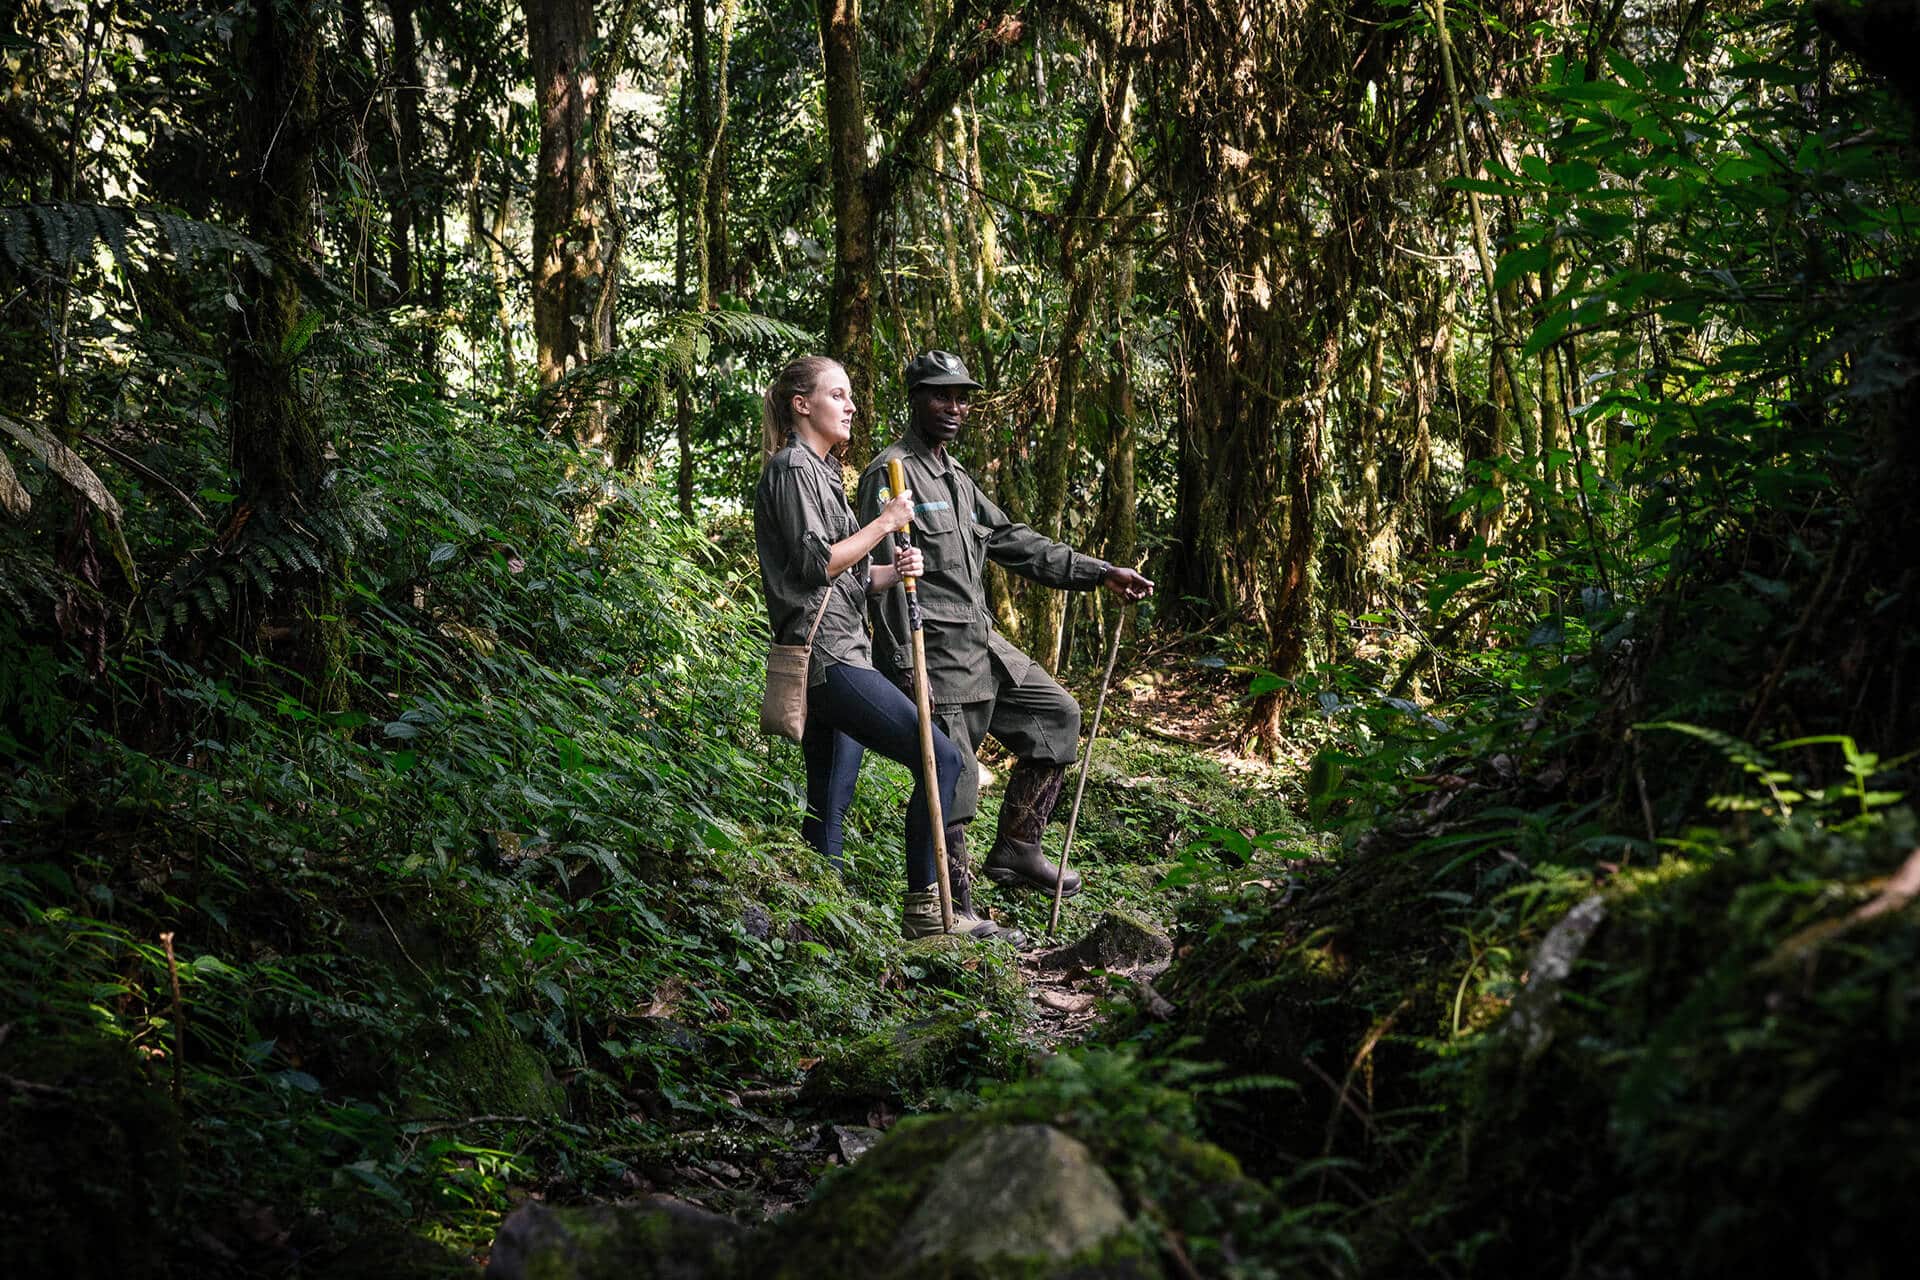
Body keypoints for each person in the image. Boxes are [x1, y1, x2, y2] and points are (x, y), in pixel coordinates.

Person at [857, 350, 1154, 913]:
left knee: (1057, 716)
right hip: (936, 652)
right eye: (941, 394)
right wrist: (901, 665)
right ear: (914, 397)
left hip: (982, 641)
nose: (954, 407)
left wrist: (1100, 572)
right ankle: (953, 911)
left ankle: (1019, 845)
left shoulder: (956, 476)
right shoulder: (891, 472)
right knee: (955, 779)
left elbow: (1014, 541)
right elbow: (882, 574)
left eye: (962, 396)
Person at [754, 355, 1009, 942]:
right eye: (837, 396)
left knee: (829, 801)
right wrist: (887, 523)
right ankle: (925, 907)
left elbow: (845, 575)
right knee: (941, 758)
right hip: (828, 657)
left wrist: (890, 572)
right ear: (802, 405)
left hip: (843, 646)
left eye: (850, 396)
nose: (850, 406)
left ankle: (816, 931)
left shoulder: (821, 471)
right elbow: (816, 563)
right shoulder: (793, 468)